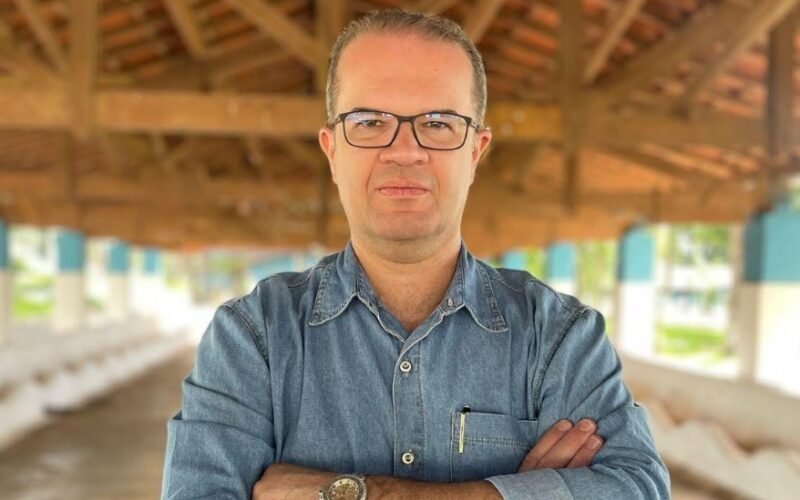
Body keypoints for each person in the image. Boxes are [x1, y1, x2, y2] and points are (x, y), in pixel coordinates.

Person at [161, 9, 670, 500]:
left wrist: (351, 494)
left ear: (476, 152)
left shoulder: (558, 336)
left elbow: (637, 488)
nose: (404, 151)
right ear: (332, 150)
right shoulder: (255, 337)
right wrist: (516, 491)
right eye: (368, 121)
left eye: (439, 122)